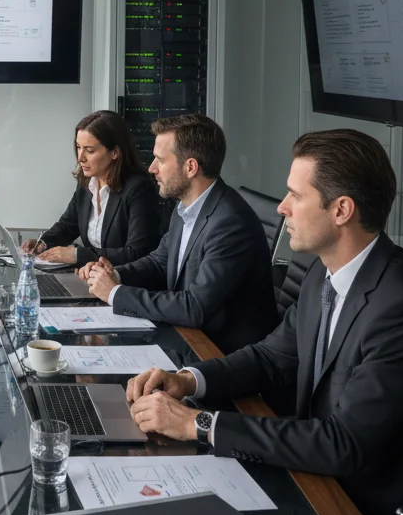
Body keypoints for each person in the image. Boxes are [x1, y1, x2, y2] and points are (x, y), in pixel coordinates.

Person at [126, 129, 403, 515]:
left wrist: (197, 424)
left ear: (341, 210)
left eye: (294, 196)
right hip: (316, 484)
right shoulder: (325, 271)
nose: (281, 209)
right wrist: (187, 381)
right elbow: (270, 357)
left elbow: (342, 444)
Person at [80, 114, 277, 353]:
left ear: (191, 167)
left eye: (160, 160)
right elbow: (160, 262)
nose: (151, 168)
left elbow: (195, 307)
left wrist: (115, 293)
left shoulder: (230, 224)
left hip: (219, 354)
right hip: (185, 338)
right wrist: (114, 275)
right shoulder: (186, 206)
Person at [21, 110, 160, 267]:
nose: (80, 157)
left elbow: (137, 252)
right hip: (91, 277)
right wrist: (43, 242)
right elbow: (68, 225)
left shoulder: (139, 189)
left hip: (124, 283)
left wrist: (76, 255)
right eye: (79, 147)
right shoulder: (87, 183)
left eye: (90, 150)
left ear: (115, 152)